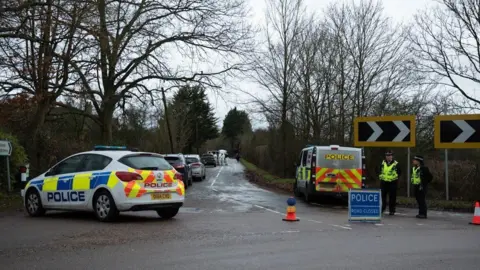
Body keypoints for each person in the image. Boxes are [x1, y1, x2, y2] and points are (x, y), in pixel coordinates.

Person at [377, 150, 401, 215]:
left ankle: (392, 210)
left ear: (392, 156)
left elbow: (399, 172)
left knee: (392, 197)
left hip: (392, 183)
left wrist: (394, 179)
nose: (388, 157)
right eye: (387, 156)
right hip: (383, 183)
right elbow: (379, 170)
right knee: (382, 197)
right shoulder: (382, 163)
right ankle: (382, 208)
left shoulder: (396, 164)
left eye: (389, 156)